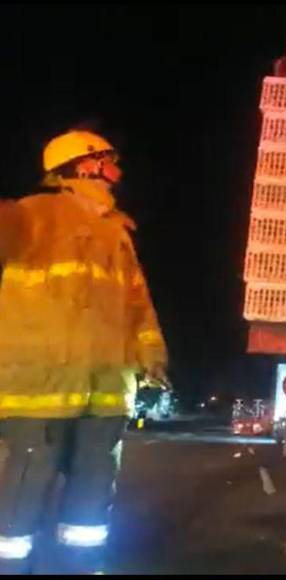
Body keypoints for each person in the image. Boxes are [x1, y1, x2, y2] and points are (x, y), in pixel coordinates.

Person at [0, 129, 168, 574]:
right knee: (22, 493)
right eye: (108, 161)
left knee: (92, 501)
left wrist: (153, 356)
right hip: (39, 388)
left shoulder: (116, 232)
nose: (117, 172)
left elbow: (137, 304)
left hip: (106, 388)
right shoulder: (27, 216)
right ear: (83, 165)